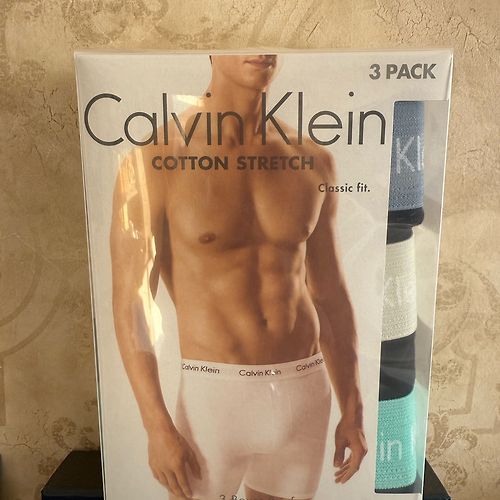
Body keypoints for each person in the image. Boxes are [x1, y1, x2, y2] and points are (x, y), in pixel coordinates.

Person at [110, 54, 367, 500]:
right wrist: (155, 425)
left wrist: (354, 408)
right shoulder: (155, 158)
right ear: (211, 47)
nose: (260, 49)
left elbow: (331, 295)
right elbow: (132, 303)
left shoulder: (313, 159)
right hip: (213, 401)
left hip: (305, 395)